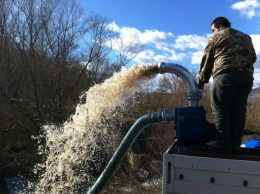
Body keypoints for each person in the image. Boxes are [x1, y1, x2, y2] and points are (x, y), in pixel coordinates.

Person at [197, 16, 257, 154]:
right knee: (238, 110)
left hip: (225, 76)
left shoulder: (216, 37)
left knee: (220, 110)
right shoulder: (246, 37)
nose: (213, 32)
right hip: (246, 78)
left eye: (213, 30)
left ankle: (223, 144)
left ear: (220, 27)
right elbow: (253, 58)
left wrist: (202, 80)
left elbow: (207, 60)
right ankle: (236, 144)